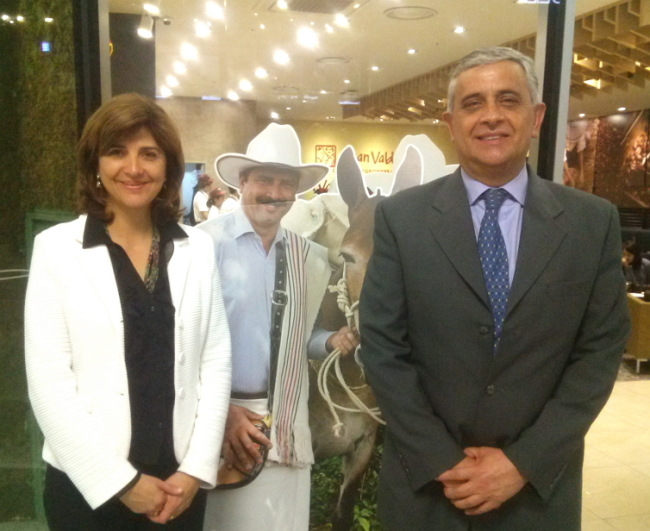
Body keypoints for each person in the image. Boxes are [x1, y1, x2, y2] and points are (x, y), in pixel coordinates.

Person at [358, 47, 630, 531]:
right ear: (450, 120)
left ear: (537, 116)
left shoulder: (592, 223)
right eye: (473, 103)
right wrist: (443, 461)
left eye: (508, 100)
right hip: (428, 487)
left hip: (537, 490)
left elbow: (599, 352)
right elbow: (383, 348)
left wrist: (523, 462)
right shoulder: (402, 220)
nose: (491, 117)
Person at [25, 93, 232, 531]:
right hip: (87, 488)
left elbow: (214, 363)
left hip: (178, 487)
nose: (134, 168)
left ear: (168, 168)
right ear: (95, 165)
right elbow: (49, 385)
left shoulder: (197, 249)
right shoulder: (57, 250)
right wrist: (120, 482)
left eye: (149, 154)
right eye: (116, 152)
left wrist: (195, 469)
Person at [200, 123, 353, 531]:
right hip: (222, 422)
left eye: (286, 183)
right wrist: (221, 412)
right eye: (264, 179)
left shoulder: (311, 257)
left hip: (286, 421)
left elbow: (300, 339)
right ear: (243, 182)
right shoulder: (201, 246)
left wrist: (331, 340)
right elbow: (183, 347)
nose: (275, 192)